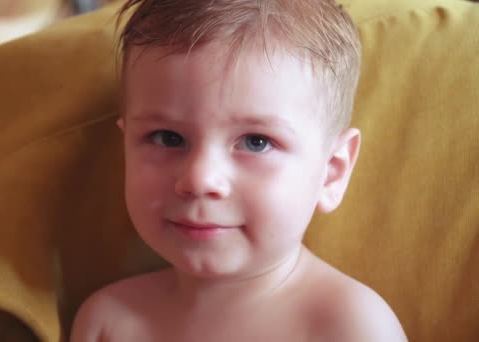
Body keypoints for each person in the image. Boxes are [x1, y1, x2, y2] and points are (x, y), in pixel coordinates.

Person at [71, 0, 407, 340]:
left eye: (256, 142)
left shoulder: (352, 326)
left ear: (332, 172)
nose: (199, 179)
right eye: (168, 137)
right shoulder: (107, 322)